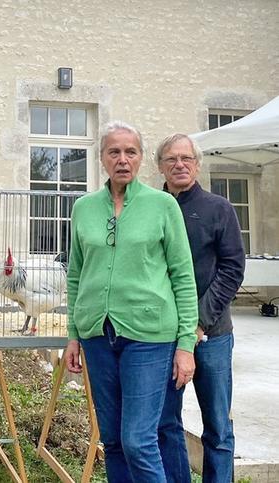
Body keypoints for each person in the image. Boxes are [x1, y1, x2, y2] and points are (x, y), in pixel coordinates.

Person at [64, 121, 198, 482]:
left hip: (150, 336)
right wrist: (74, 334)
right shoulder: (84, 208)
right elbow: (76, 273)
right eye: (114, 152)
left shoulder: (163, 205)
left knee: (139, 439)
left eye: (131, 152)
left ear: (140, 159)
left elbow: (183, 277)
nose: (122, 159)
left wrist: (186, 344)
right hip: (96, 334)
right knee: (113, 440)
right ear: (102, 158)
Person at [156, 134, 245, 483]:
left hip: (212, 336)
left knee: (218, 427)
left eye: (186, 158)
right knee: (166, 423)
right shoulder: (152, 208)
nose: (180, 164)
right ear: (160, 166)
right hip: (162, 334)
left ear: (197, 164)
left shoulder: (219, 209)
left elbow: (232, 269)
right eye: (171, 159)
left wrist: (198, 322)